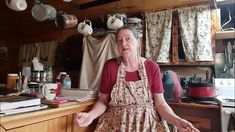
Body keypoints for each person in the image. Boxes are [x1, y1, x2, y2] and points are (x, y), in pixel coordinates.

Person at [75, 26, 199, 132]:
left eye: (128, 38)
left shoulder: (151, 67)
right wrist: (90, 115)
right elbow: (103, 101)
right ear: (116, 45)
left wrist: (177, 121)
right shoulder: (110, 66)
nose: (123, 44)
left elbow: (160, 103)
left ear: (137, 41)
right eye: (119, 40)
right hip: (115, 126)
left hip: (148, 126)